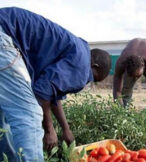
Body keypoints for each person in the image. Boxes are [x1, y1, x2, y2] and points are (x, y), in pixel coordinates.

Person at [0, 7, 111, 161]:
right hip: (4, 36)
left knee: (3, 116)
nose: (85, 81)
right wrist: (49, 130)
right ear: (95, 67)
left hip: (5, 27)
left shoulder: (77, 50)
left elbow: (52, 92)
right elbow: (43, 91)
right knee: (30, 114)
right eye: (92, 78)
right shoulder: (83, 66)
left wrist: (66, 129)